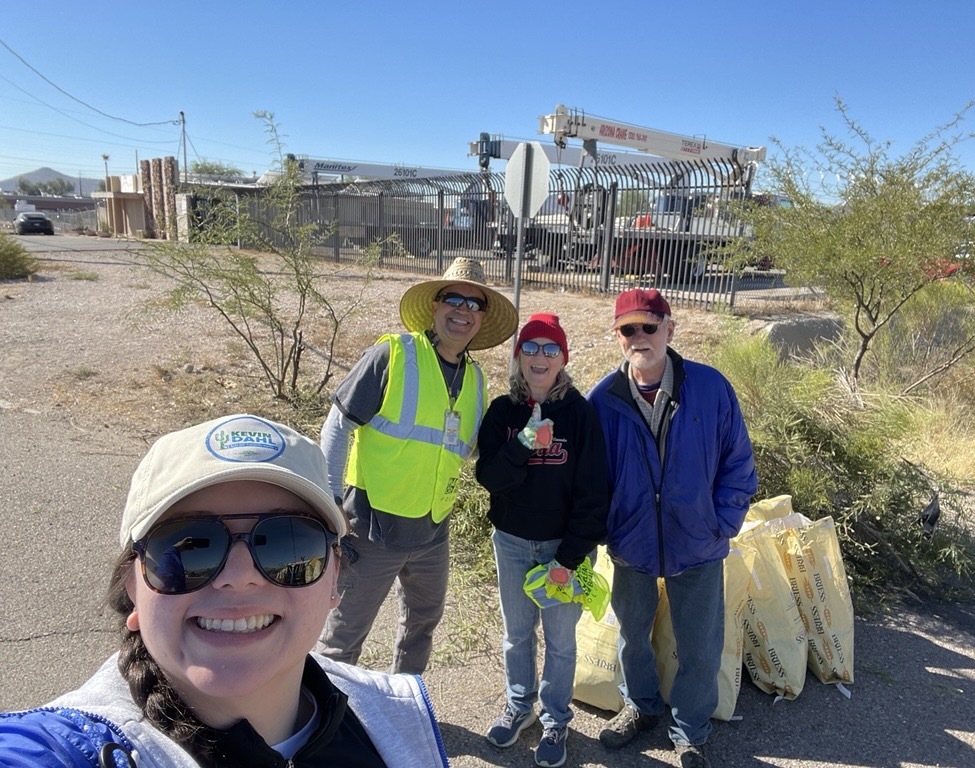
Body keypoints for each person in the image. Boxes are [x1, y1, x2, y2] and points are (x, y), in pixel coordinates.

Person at [0, 413, 449, 767]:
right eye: (190, 547)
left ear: (335, 581)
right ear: (132, 588)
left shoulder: (396, 716)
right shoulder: (65, 748)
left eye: (287, 544)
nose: (239, 575)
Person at [318, 257, 518, 675]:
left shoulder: (476, 380)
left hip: (432, 531)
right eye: (453, 298)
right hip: (371, 526)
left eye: (473, 304)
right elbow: (338, 426)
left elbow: (468, 451)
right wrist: (330, 500)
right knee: (343, 638)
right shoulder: (393, 354)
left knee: (422, 627)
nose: (462, 310)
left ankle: (405, 703)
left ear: (481, 318)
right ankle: (328, 727)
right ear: (435, 305)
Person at [587, 289, 758, 768]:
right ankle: (640, 706)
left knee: (699, 645)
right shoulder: (602, 400)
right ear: (617, 336)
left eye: (650, 325)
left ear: (670, 328)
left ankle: (689, 731)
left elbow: (738, 463)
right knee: (632, 634)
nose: (640, 337)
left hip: (698, 541)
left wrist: (721, 522)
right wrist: (604, 530)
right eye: (628, 329)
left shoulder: (710, 387)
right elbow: (589, 478)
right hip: (631, 542)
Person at [475, 313, 609, 768]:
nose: (539, 357)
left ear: (563, 359)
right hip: (512, 542)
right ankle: (520, 706)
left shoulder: (581, 413)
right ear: (517, 356)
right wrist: (524, 444)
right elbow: (490, 477)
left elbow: (594, 493)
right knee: (516, 634)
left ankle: (555, 719)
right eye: (530, 347)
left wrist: (569, 559)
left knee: (561, 641)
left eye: (550, 349)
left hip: (562, 549)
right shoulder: (502, 412)